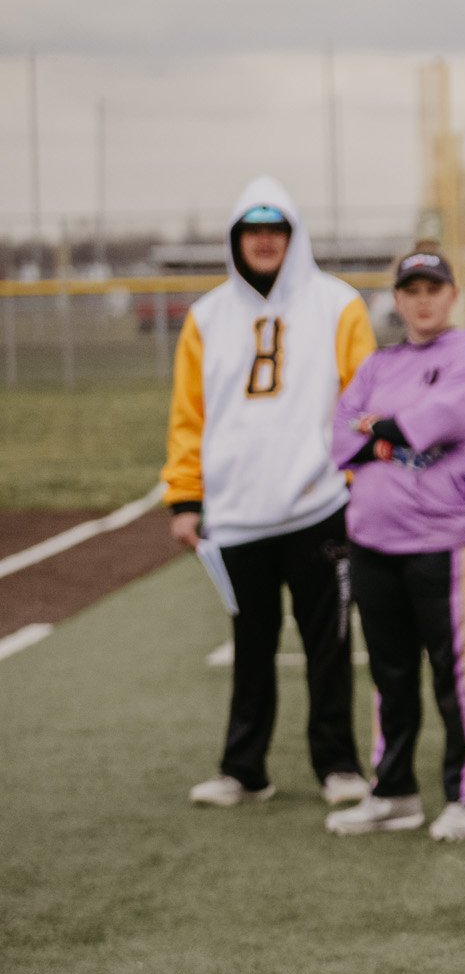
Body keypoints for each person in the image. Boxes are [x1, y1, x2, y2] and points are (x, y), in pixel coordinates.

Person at [164, 176, 373, 809]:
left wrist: (361, 484)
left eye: (274, 229)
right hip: (237, 514)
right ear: (235, 239)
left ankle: (338, 764)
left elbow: (363, 400)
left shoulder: (338, 304)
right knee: (250, 647)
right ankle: (244, 769)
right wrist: (185, 497)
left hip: (319, 505)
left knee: (328, 645)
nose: (263, 241)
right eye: (251, 231)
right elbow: (188, 415)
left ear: (292, 235)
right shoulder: (206, 317)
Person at [324, 245, 465, 842]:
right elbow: (342, 429)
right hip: (372, 537)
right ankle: (394, 790)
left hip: (441, 539)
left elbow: (428, 424)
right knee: (389, 669)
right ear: (397, 300)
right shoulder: (379, 364)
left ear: (453, 295)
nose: (423, 300)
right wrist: (384, 430)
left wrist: (382, 428)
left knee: (453, 669)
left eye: (433, 288)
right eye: (412, 290)